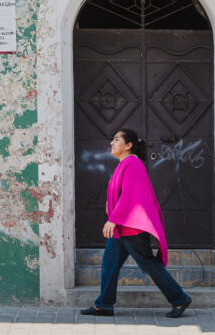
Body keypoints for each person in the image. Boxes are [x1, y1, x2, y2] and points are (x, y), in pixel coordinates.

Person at [80, 129, 193, 318]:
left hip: (131, 228)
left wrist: (113, 219)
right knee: (109, 263)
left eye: (117, 139)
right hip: (123, 228)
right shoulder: (124, 164)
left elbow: (130, 195)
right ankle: (105, 304)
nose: (112, 143)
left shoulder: (132, 164)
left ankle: (180, 299)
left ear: (128, 145)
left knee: (149, 265)